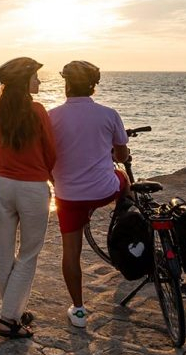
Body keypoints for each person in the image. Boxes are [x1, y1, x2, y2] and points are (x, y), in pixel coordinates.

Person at [48, 60, 130, 329]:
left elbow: (47, 158)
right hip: (103, 190)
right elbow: (120, 155)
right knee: (124, 178)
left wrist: (55, 179)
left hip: (68, 195)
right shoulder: (109, 114)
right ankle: (124, 221)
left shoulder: (52, 117)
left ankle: (79, 310)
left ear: (67, 84)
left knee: (71, 252)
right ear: (93, 86)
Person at [0, 57, 56, 339]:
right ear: (23, 82)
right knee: (27, 254)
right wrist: (45, 174)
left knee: (3, 251)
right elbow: (51, 151)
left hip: (3, 185)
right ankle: (8, 319)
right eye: (35, 77)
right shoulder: (37, 111)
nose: (38, 82)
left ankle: (13, 310)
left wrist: (6, 170)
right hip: (32, 188)